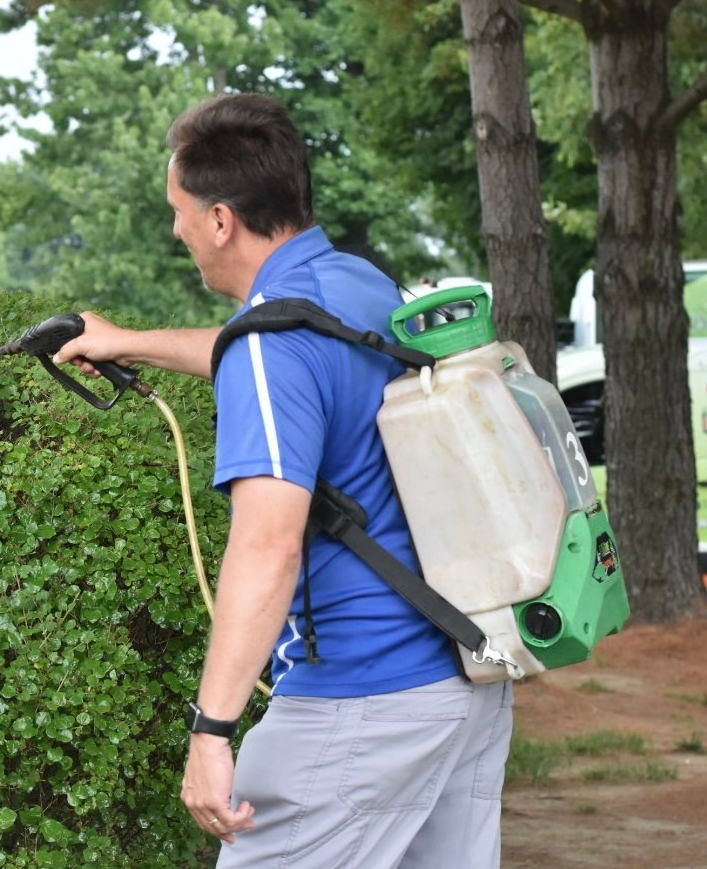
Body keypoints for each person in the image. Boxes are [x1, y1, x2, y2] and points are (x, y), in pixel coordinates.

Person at [54, 93, 513, 868]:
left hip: (361, 706)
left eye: (179, 212)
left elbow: (269, 547)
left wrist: (212, 730)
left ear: (221, 220)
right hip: (464, 682)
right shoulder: (356, 285)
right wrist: (127, 341)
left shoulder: (272, 345)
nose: (176, 230)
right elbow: (271, 351)